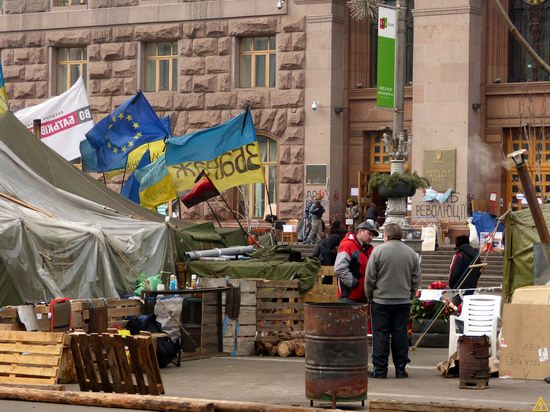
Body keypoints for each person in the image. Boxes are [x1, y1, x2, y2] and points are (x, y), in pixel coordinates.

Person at [365, 223, 421, 379]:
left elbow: (370, 277)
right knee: (400, 334)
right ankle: (401, 368)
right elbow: (416, 278)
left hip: (381, 301)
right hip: (402, 301)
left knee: (380, 335)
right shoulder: (411, 253)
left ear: (386, 236)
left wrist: (369, 294)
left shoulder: (377, 252)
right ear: (401, 236)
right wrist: (410, 294)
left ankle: (380, 369)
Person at [334, 222, 378, 303]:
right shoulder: (348, 245)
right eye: (369, 234)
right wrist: (354, 283)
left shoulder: (368, 249)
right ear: (360, 232)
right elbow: (339, 269)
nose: (371, 237)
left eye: (372, 235)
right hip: (349, 296)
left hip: (362, 296)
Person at [449, 235, 481, 305]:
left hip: (460, 288)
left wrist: (452, 286)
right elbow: (479, 271)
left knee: (455, 310)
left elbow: (454, 273)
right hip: (472, 286)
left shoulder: (459, 255)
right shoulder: (475, 255)